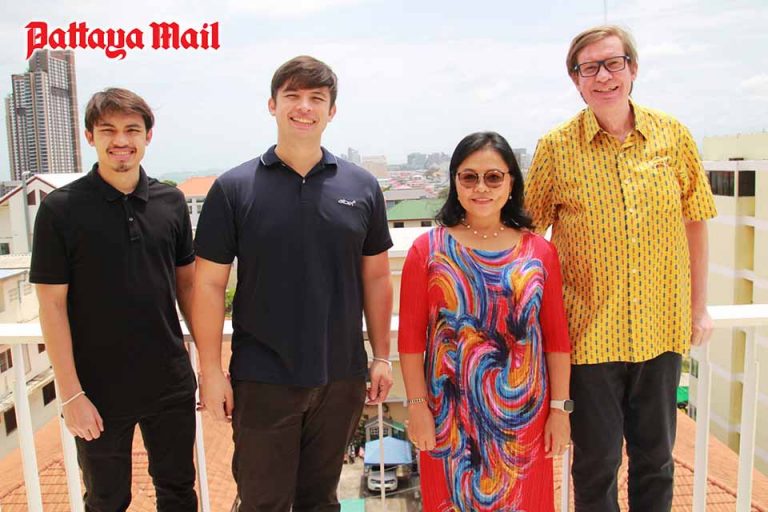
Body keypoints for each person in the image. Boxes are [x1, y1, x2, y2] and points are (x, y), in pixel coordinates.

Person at [525, 25, 717, 511]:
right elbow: (528, 239)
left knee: (656, 461)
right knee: (596, 464)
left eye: (613, 63)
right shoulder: (556, 148)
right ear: (576, 80)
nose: (604, 76)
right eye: (589, 67)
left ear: (633, 69)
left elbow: (695, 222)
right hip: (588, 337)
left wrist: (698, 307)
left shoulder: (673, 136)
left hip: (660, 330)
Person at [192, 55, 394, 511]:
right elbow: (208, 285)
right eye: (293, 96)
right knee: (262, 502)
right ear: (272, 105)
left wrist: (381, 355)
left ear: (332, 111)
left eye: (316, 98)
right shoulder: (234, 188)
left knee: (320, 502)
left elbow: (377, 276)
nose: (304, 107)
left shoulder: (361, 186)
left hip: (341, 374)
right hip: (262, 377)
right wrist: (210, 371)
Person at [31, 88, 198, 511]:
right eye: (108, 130)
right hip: (97, 389)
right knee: (106, 500)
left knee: (178, 492)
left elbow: (188, 287)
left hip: (169, 381)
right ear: (90, 136)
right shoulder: (60, 210)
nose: (120, 140)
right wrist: (71, 395)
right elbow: (51, 306)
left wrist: (208, 366)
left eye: (132, 130)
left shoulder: (171, 202)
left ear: (148, 136)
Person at [399, 132, 572, 512]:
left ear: (511, 183)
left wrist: (560, 411)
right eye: (469, 177)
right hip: (448, 419)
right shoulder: (427, 251)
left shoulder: (540, 252)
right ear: (455, 182)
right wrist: (417, 407)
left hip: (525, 421)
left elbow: (557, 340)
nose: (481, 188)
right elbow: (411, 341)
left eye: (493, 177)